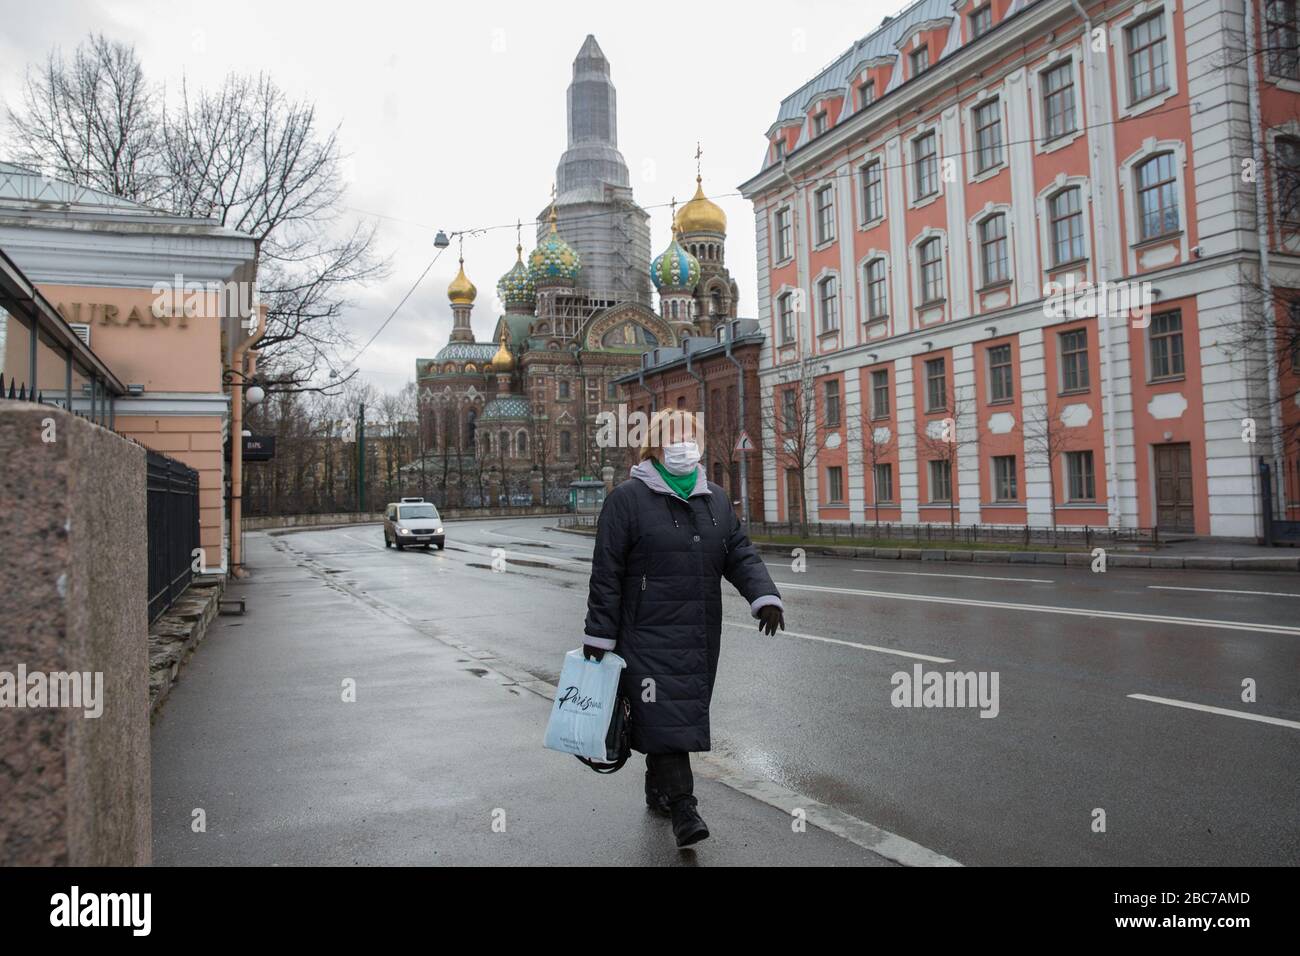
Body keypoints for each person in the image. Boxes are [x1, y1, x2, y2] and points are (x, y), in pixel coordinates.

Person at [582, 409, 785, 848]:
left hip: (698, 635)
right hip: (645, 636)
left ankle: (659, 789)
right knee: (667, 713)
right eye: (674, 435)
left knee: (672, 715)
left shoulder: (714, 498)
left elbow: (739, 554)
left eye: (690, 434)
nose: (684, 442)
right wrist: (598, 637)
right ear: (654, 445)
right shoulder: (628, 500)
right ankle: (684, 809)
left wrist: (763, 597)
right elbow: (607, 574)